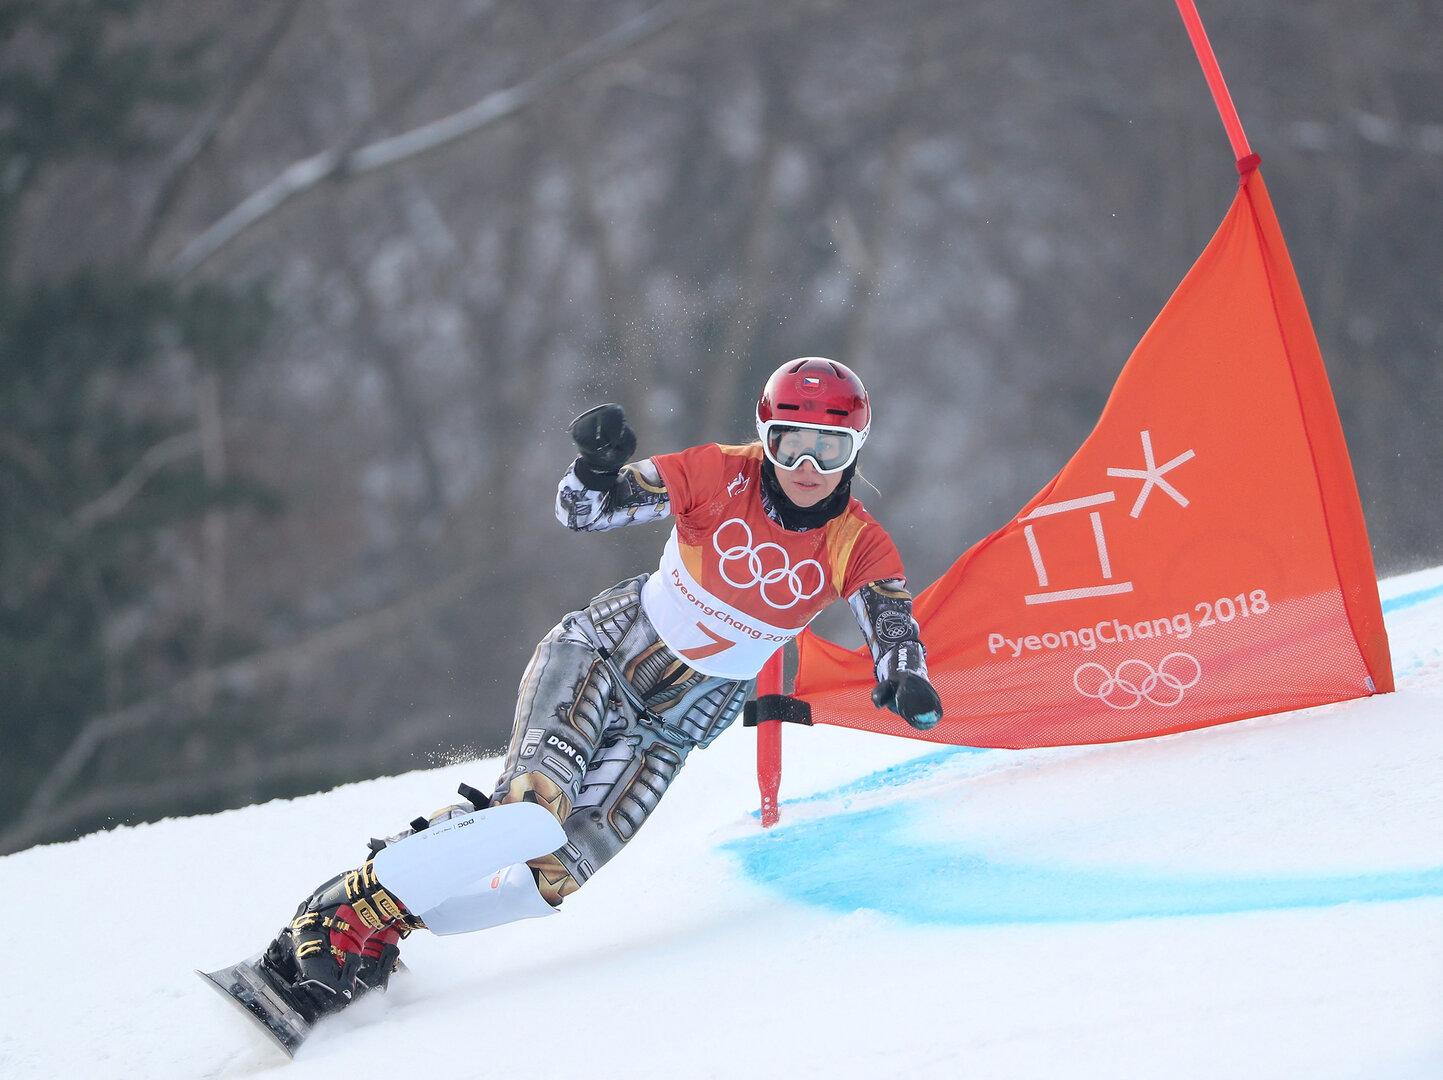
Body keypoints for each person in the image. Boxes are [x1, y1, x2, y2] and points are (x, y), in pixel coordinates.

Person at [259, 357, 943, 1019]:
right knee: (532, 810)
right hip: (604, 657)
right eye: (790, 444)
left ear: (855, 448)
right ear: (764, 437)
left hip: (676, 723)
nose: (806, 468)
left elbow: (888, 618)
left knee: (546, 877)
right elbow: (587, 512)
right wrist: (594, 468)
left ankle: (386, 924)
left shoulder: (857, 541)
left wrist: (902, 673)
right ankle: (337, 913)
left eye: (829, 448)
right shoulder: (717, 472)